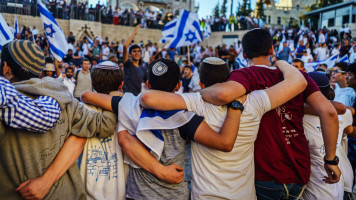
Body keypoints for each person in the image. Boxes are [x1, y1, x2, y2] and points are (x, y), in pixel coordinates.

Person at [199, 29, 340, 199]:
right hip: (299, 171)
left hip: (264, 173)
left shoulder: (242, 75)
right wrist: (330, 160)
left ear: (243, 53)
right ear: (272, 50)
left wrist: (194, 94)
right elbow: (329, 112)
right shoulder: (298, 77)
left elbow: (222, 95)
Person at [139, 57, 307, 199]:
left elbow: (148, 97)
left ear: (201, 82)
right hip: (244, 195)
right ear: (229, 79)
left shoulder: (195, 102)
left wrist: (198, 92)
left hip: (206, 195)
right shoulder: (254, 101)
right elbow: (299, 82)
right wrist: (281, 63)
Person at [82, 58, 242, 199]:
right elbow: (224, 143)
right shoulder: (186, 117)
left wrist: (123, 97)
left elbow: (87, 95)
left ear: (148, 84)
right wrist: (236, 105)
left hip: (138, 194)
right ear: (179, 85)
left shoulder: (129, 104)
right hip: (174, 194)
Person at [0, 40, 117, 199]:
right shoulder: (65, 100)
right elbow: (106, 124)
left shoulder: (4, 106)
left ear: (6, 68)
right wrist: (112, 95)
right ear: (40, 71)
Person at [301, 72, 354, 200]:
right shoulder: (342, 114)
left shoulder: (296, 116)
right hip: (337, 185)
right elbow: (349, 123)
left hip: (318, 188)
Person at [122, 25, 148, 96]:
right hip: (127, 97)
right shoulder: (128, 65)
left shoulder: (143, 69)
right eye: (134, 51)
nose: (137, 53)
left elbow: (147, 84)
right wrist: (134, 33)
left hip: (137, 99)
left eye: (138, 51)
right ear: (130, 54)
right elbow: (125, 46)